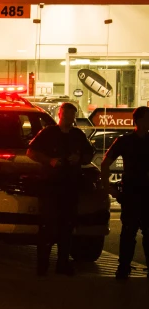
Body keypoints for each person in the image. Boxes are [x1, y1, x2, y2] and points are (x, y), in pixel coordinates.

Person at [27, 102, 95, 276]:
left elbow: (89, 155)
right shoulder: (48, 133)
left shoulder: (77, 135)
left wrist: (78, 158)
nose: (69, 120)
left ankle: (62, 263)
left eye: (72, 116)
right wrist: (50, 160)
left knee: (67, 227)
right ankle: (43, 264)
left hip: (70, 186)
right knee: (47, 226)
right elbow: (31, 152)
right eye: (66, 116)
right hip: (50, 186)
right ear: (60, 115)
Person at [100, 106, 149, 280]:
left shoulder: (125, 141)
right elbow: (105, 164)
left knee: (130, 232)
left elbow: (105, 164)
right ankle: (123, 267)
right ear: (139, 120)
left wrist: (109, 188)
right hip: (133, 192)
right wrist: (108, 188)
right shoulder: (125, 141)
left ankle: (123, 268)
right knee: (130, 232)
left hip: (134, 192)